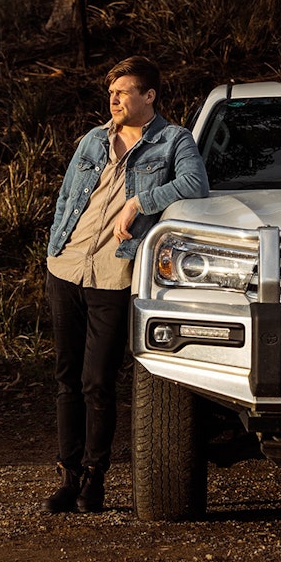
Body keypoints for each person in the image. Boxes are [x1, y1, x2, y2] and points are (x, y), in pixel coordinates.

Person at [43, 56, 209, 513]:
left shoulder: (173, 141)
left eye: (123, 92)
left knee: (98, 380)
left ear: (149, 96)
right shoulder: (94, 140)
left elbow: (196, 185)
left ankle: (95, 477)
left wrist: (141, 201)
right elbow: (65, 198)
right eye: (111, 92)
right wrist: (55, 248)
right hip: (68, 267)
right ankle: (67, 475)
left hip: (116, 274)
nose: (113, 99)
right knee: (66, 378)